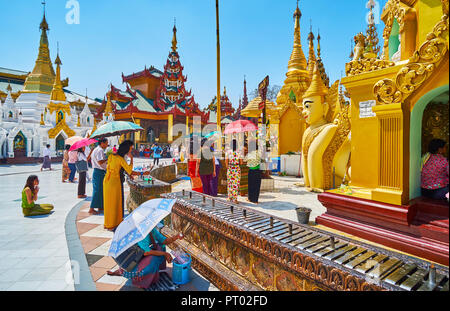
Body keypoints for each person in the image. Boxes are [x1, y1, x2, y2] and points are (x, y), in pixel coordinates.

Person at [107, 229, 184, 289]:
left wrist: (177, 236)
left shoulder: (151, 230)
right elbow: (146, 253)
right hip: (131, 267)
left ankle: (151, 275)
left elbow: (164, 241)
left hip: (138, 259)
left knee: (161, 247)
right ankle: (140, 280)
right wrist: (165, 254)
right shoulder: (139, 233)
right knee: (154, 259)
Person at [103, 140, 144, 231]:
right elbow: (129, 170)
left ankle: (108, 223)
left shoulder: (111, 156)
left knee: (108, 203)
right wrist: (132, 159)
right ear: (126, 149)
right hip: (114, 183)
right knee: (114, 203)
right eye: (130, 149)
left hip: (107, 181)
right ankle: (113, 224)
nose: (131, 151)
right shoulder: (120, 159)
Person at [89, 138, 109, 215]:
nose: (107, 145)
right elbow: (100, 161)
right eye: (106, 143)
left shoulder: (96, 149)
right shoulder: (100, 150)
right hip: (99, 171)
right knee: (97, 190)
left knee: (100, 190)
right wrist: (108, 158)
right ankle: (91, 208)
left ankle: (100, 206)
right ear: (102, 143)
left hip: (97, 171)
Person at [226, 139, 242, 203]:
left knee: (230, 183)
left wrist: (228, 167)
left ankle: (229, 197)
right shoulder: (239, 152)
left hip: (230, 168)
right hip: (236, 168)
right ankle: (235, 199)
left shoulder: (228, 152)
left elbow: (226, 162)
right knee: (236, 184)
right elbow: (241, 162)